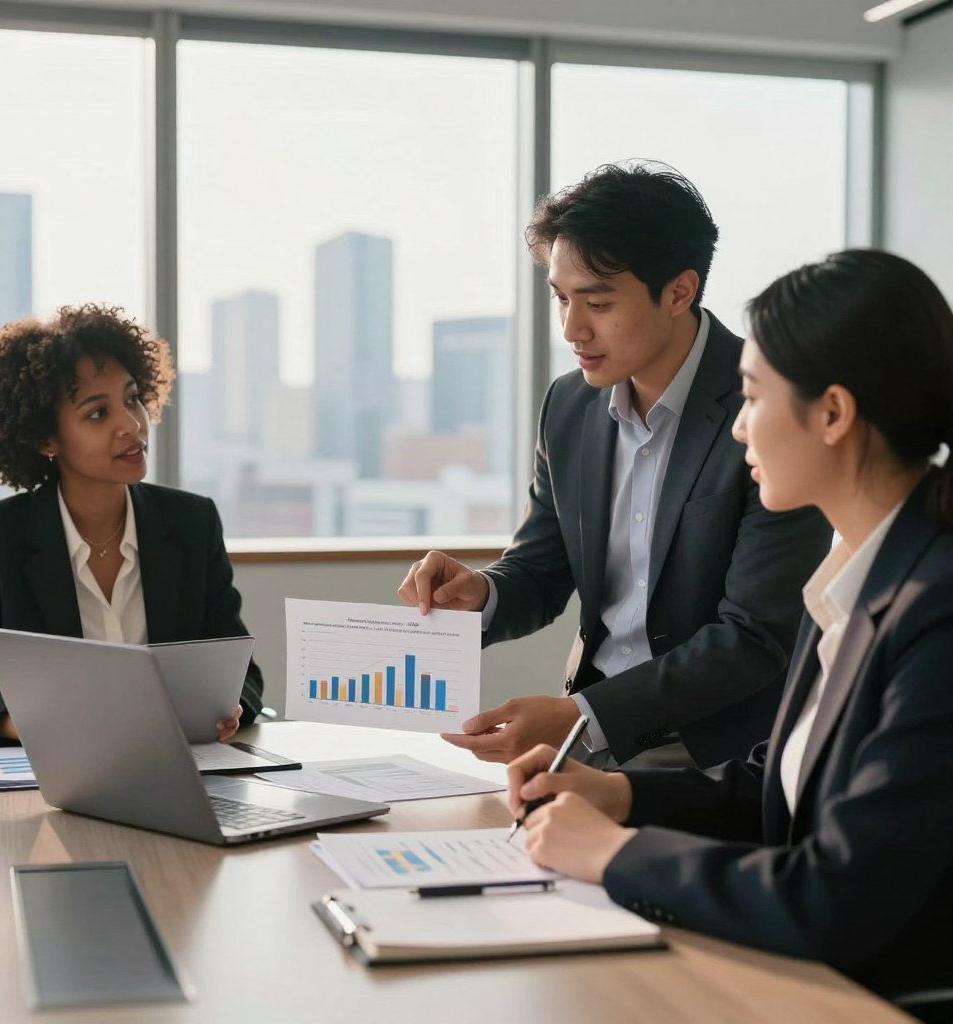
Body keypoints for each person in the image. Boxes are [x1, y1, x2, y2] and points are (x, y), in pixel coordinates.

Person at [507, 249, 953, 998]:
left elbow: (837, 894)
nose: (739, 430)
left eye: (751, 399)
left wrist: (615, 856)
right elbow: (774, 789)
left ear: (835, 414)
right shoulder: (854, 575)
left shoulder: (933, 609)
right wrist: (622, 798)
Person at [399, 162, 831, 768]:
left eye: (597, 302)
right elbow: (544, 567)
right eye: (560, 298)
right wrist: (483, 594)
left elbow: (756, 637)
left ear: (680, 292)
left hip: (725, 757)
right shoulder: (570, 403)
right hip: (587, 738)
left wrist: (583, 716)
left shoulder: (769, 405)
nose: (572, 329)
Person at [0, 303, 264, 745]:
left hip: (178, 764)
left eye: (132, 399)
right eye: (97, 413)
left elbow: (240, 670)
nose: (131, 425)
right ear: (46, 438)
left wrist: (230, 708)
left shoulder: (191, 523)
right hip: (49, 778)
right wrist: (34, 726)